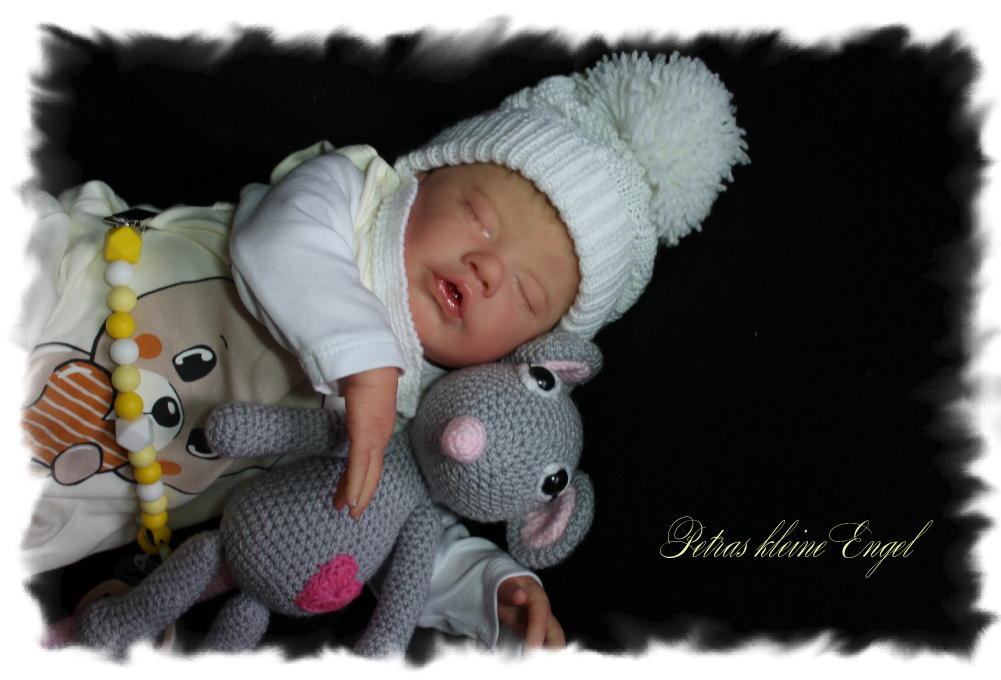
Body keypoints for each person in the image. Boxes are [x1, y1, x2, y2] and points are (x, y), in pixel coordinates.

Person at [20, 50, 747, 652]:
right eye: (479, 218)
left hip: (72, 493)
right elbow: (276, 238)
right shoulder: (354, 194)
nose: (488, 267)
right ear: (422, 177)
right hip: (55, 293)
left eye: (525, 294)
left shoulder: (425, 412)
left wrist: (490, 591)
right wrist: (363, 361)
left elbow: (391, 529)